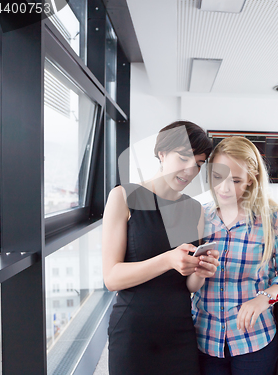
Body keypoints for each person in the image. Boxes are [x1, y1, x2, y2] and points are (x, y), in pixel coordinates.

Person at [102, 121, 220, 375]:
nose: (190, 170)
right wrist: (167, 260)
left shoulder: (195, 209)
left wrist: (201, 271)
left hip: (180, 331)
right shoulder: (123, 197)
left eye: (198, 164)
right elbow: (111, 278)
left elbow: (187, 286)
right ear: (162, 153)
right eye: (184, 158)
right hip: (134, 332)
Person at [192, 136, 278, 375]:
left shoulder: (275, 219)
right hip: (205, 338)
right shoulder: (200, 217)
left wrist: (265, 298)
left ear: (251, 180)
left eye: (236, 180)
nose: (224, 188)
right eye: (217, 177)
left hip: (254, 339)